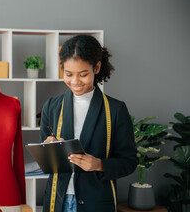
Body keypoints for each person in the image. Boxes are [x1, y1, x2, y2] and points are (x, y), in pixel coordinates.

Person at [40, 35, 137, 212]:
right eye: (68, 74)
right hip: (57, 200)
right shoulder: (52, 106)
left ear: (97, 67)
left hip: (97, 202)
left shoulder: (115, 110)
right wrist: (49, 149)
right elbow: (47, 159)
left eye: (83, 74)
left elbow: (129, 162)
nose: (75, 82)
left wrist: (99, 164)